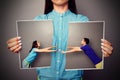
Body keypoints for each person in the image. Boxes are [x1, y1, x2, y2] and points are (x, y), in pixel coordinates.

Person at [6, 0, 113, 80]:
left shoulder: (82, 20)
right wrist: (19, 47)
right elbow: (31, 54)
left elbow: (87, 51)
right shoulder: (39, 20)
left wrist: (103, 51)